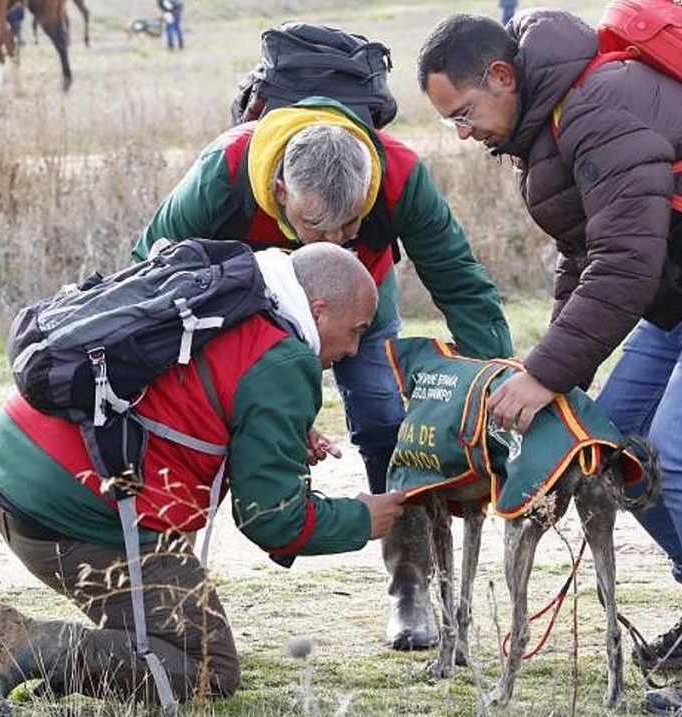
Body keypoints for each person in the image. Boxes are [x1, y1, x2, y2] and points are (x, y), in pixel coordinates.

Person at [417, 11, 682, 715]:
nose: (462, 133)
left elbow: (625, 265)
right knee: (613, 446)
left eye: (463, 113)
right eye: (448, 122)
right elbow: (587, 260)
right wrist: (561, 387)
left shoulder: (598, 105)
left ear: (501, 76)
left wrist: (547, 374)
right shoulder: (544, 128)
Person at [134, 95, 514, 651]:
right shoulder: (226, 171)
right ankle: (161, 574)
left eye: (350, 226)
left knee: (388, 421)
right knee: (209, 419)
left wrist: (492, 393)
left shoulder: (400, 173)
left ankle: (409, 583)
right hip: (246, 305)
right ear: (281, 193)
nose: (333, 243)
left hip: (359, 299)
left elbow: (461, 282)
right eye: (315, 225)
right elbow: (153, 271)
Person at [0, 243, 408, 714]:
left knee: (176, 640)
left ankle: (73, 657)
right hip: (70, 513)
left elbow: (196, 395)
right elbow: (271, 519)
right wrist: (361, 519)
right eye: (356, 331)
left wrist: (273, 435)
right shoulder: (284, 359)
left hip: (19, 463)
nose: (355, 349)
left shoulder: (235, 292)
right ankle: (26, 646)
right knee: (207, 670)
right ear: (318, 310)